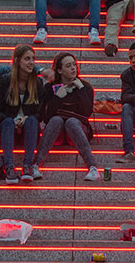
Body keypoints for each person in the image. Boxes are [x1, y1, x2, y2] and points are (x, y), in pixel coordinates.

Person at [36, 52, 100, 182]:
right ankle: (35, 165)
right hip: (57, 133)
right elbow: (46, 117)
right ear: (59, 70)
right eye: (68, 66)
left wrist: (81, 90)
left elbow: (87, 112)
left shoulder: (85, 87)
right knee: (56, 120)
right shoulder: (50, 87)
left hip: (78, 130)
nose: (73, 69)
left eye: (74, 65)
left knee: (71, 122)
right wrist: (57, 98)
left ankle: (92, 167)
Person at [0, 44, 45, 183]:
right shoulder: (5, 80)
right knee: (7, 122)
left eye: (33, 59)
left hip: (29, 129)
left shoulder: (37, 82)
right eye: (27, 59)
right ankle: (9, 168)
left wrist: (26, 117)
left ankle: (27, 165)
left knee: (32, 120)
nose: (31, 62)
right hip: (9, 128)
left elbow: (41, 111)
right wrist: (12, 119)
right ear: (17, 60)